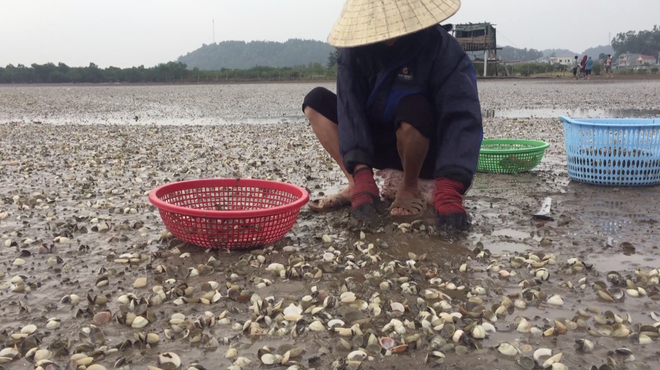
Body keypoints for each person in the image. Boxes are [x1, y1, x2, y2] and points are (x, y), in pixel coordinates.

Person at [303, 0, 483, 231]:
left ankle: (409, 188)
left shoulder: (441, 47)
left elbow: (461, 113)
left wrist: (451, 184)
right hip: (374, 143)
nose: (388, 36)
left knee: (413, 106)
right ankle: (356, 184)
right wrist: (361, 173)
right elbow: (350, 111)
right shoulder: (355, 53)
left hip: (422, 145)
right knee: (315, 101)